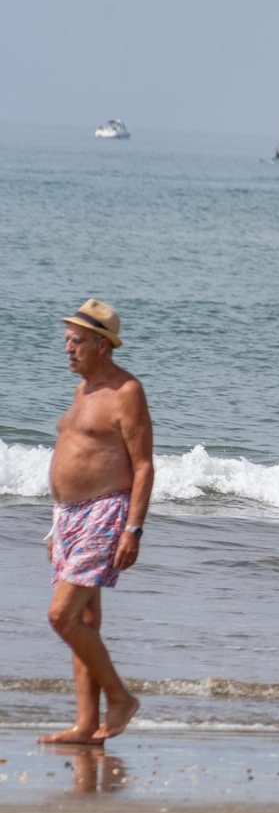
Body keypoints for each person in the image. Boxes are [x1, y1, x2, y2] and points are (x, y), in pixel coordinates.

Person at [38, 300, 153, 745]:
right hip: (67, 517)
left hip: (105, 514)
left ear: (102, 346)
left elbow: (143, 465)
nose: (68, 349)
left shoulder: (126, 391)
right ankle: (86, 725)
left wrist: (133, 528)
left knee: (61, 616)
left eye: (78, 341)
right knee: (84, 620)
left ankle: (120, 698)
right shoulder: (83, 389)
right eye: (66, 340)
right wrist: (55, 527)